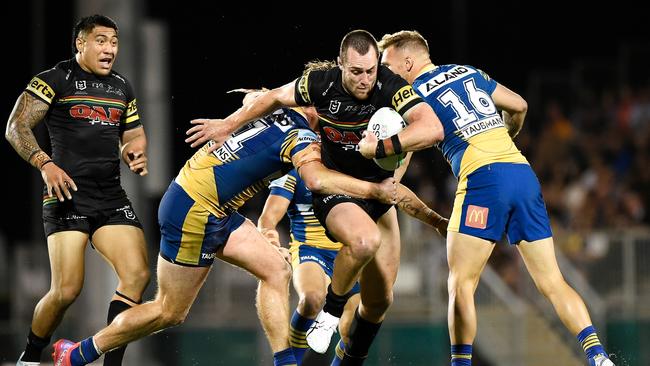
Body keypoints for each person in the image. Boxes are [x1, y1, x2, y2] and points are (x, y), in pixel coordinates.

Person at [51, 89, 398, 366]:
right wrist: (375, 190)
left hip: (214, 206)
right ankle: (79, 354)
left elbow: (258, 97)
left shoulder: (281, 107)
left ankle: (285, 363)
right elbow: (315, 178)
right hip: (193, 209)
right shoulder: (303, 138)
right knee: (169, 310)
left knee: (276, 270)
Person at [184, 30, 445, 364]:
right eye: (356, 72)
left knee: (378, 305)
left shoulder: (391, 86)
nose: (365, 80)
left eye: (370, 71)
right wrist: (228, 124)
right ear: (341, 65)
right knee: (345, 263)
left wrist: (381, 149)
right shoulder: (319, 91)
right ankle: (312, 332)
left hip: (378, 197)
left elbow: (432, 129)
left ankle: (339, 348)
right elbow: (275, 97)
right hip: (339, 196)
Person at [360, 29, 615, 366]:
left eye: (388, 65)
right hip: (522, 174)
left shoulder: (410, 95)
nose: (385, 74)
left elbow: (403, 160)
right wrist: (509, 133)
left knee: (461, 283)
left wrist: (383, 171)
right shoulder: (469, 72)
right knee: (553, 282)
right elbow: (520, 105)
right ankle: (598, 355)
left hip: (483, 180)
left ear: (408, 61)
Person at [5, 14, 150, 366]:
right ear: (80, 43)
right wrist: (45, 163)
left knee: (138, 275)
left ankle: (111, 362)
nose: (109, 49)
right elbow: (16, 126)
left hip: (111, 196)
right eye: (101, 40)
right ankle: (32, 354)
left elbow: (132, 133)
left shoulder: (121, 87)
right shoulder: (55, 79)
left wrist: (135, 150)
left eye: (114, 42)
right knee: (66, 290)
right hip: (66, 195)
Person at [258, 168, 447, 365]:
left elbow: (395, 192)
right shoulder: (298, 168)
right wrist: (271, 242)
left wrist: (437, 221)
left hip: (352, 256)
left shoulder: (353, 164)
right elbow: (269, 216)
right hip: (311, 249)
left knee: (351, 332)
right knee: (312, 299)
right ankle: (288, 363)